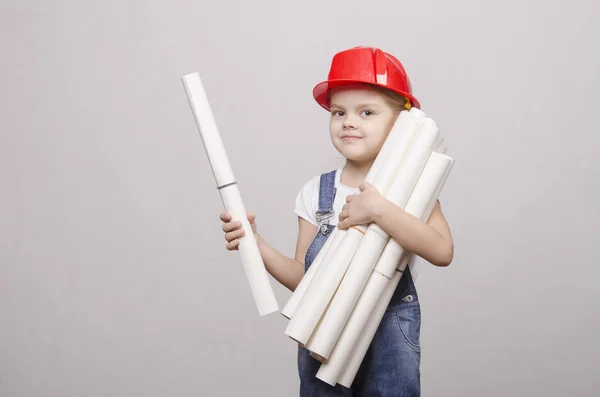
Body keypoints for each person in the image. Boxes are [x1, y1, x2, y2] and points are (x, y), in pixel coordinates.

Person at [219, 46, 454, 396]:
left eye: (366, 112)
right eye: (338, 111)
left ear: (400, 125)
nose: (349, 121)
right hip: (322, 330)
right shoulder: (316, 192)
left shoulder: (414, 189)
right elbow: (304, 279)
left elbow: (442, 251)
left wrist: (378, 210)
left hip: (388, 328)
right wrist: (256, 244)